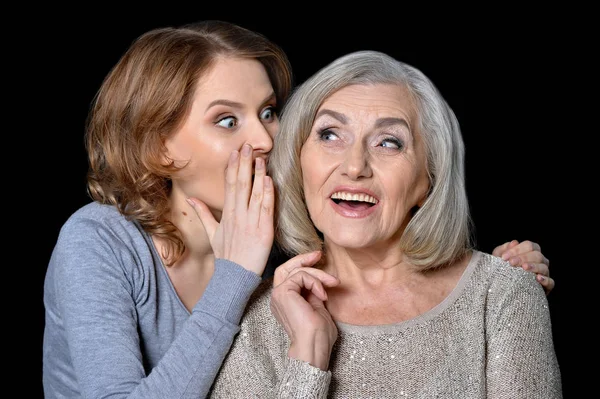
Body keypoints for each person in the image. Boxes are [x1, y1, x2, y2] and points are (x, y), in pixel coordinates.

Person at [42, 20, 553, 398]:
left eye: (268, 112)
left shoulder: (275, 242)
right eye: (227, 121)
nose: (265, 138)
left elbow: (376, 236)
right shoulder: (99, 241)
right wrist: (236, 277)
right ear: (160, 148)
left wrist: (492, 281)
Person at [205, 50, 562, 397]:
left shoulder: (501, 295)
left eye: (389, 143)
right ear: (297, 163)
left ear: (429, 178)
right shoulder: (254, 320)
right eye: (330, 135)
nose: (355, 165)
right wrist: (307, 358)